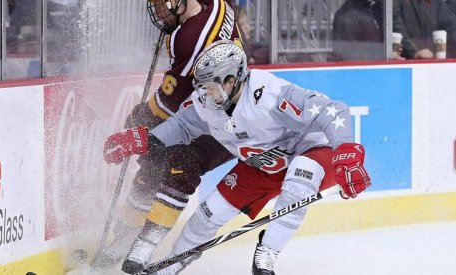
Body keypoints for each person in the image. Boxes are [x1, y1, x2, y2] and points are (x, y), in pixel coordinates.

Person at [103, 40, 371, 274]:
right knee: (208, 215)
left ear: (232, 80)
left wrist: (346, 149)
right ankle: (171, 265)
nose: (205, 95)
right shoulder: (210, 105)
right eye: (202, 88)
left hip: (311, 152)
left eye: (211, 88)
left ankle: (267, 254)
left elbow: (333, 111)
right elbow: (183, 126)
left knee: (300, 178)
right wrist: (146, 140)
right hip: (264, 163)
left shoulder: (270, 96)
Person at [94, 0, 243, 273]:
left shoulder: (190, 38)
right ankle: (125, 236)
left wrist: (142, 115)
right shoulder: (216, 5)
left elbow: (169, 103)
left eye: (162, 4)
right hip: (202, 107)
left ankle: (146, 243)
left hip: (229, 121)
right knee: (152, 160)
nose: (159, 11)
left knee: (182, 164)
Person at [333, 0, 404, 60]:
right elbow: (348, 54)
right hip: (360, 73)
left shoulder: (375, 8)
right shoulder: (346, 15)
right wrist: (385, 55)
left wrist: (390, 48)